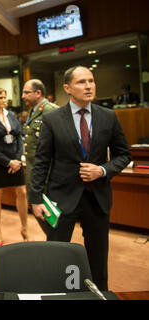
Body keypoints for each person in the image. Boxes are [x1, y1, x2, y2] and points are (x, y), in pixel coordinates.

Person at [30, 66, 131, 291]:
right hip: (61, 198)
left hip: (97, 198)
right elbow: (42, 162)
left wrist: (102, 170)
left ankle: (99, 295)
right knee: (55, 254)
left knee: (98, 258)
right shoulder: (53, 119)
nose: (88, 86)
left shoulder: (108, 116)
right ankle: (53, 294)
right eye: (82, 82)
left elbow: (123, 155)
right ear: (67, 88)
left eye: (91, 81)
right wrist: (36, 199)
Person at [0, 88, 30, 246]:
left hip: (15, 161)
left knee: (22, 192)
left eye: (5, 97)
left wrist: (16, 160)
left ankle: (25, 227)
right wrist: (7, 162)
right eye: (1, 97)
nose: (4, 100)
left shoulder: (11, 115)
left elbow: (18, 138)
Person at [21, 79, 58, 235]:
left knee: (49, 214)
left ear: (38, 93)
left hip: (48, 174)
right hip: (34, 171)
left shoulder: (51, 110)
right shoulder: (33, 110)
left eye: (26, 92)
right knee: (37, 208)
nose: (22, 96)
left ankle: (56, 244)